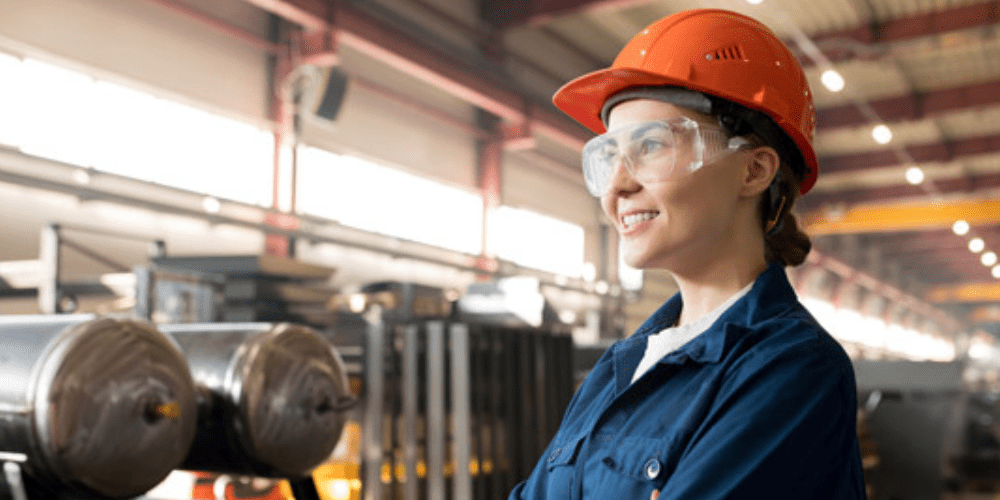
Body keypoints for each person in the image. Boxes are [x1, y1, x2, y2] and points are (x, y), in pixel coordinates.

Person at [508, 8, 867, 500]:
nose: (617, 185)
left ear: (754, 170)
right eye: (609, 156)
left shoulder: (792, 372)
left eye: (651, 145)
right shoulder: (622, 368)